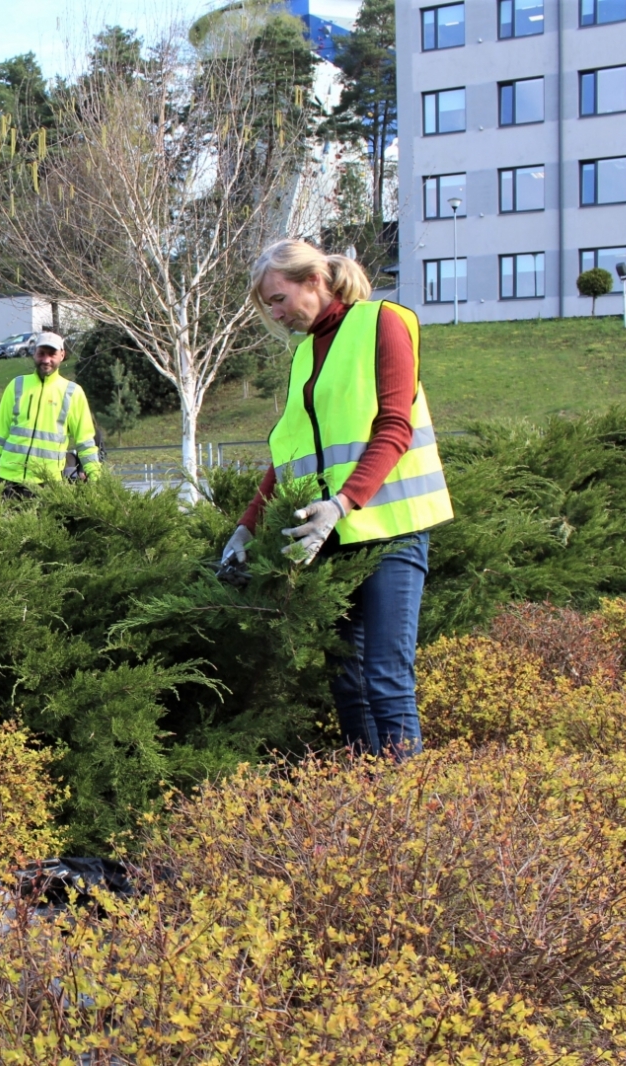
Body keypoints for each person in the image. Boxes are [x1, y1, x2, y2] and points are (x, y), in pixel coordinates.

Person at [222, 239, 453, 758]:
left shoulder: (384, 322)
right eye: (268, 305)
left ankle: (411, 824)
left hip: (390, 532)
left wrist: (342, 503)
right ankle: (364, 805)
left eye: (279, 299)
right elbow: (291, 455)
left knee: (387, 680)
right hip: (334, 537)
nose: (276, 314)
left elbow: (395, 426)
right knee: (348, 682)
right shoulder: (306, 354)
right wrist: (246, 527)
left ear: (314, 281)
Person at [0, 331, 102, 493]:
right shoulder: (16, 386)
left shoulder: (72, 393)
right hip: (8, 482)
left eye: (52, 354)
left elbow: (86, 443)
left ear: (62, 355)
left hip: (48, 485)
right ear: (34, 353)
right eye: (41, 353)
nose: (46, 360)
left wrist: (96, 479)